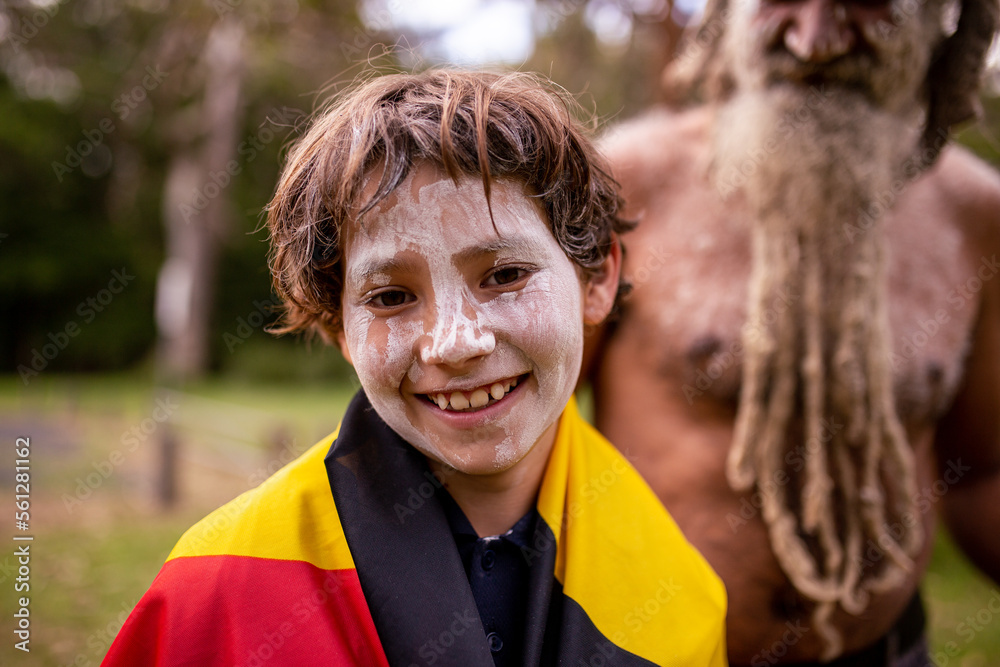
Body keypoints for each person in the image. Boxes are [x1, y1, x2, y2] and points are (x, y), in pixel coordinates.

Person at [102, 69, 727, 666]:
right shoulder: (218, 589)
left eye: (505, 275)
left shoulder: (679, 597)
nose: (454, 344)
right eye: (391, 297)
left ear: (598, 278)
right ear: (338, 324)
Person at [590, 0, 1000, 663]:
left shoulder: (977, 214)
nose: (813, 44)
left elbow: (981, 470)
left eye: (864, 4)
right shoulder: (627, 182)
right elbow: (519, 447)